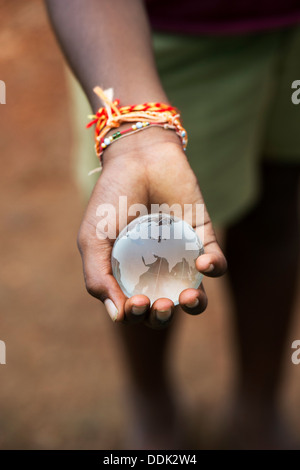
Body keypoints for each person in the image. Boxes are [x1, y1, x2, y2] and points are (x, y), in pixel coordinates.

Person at [45, 0, 300, 449]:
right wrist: (137, 137)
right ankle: (152, 403)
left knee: (280, 208)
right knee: (140, 242)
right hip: (146, 36)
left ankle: (257, 408)